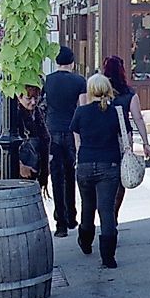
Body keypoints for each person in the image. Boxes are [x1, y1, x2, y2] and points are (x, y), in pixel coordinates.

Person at [70, 74, 122, 268]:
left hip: (85, 163)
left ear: (90, 91)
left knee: (87, 205)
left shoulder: (81, 112)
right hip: (109, 164)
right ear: (108, 90)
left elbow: (77, 142)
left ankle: (85, 241)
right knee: (106, 210)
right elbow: (122, 138)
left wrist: (80, 159)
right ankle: (108, 257)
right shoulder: (116, 112)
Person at [102, 55, 150, 225]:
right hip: (123, 139)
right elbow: (138, 118)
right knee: (122, 177)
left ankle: (105, 213)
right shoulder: (129, 93)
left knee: (104, 177)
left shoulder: (100, 91)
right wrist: (146, 143)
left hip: (102, 137)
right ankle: (114, 214)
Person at [44, 46, 87, 238]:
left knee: (56, 176)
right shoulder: (79, 81)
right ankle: (71, 216)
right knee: (71, 174)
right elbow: (83, 107)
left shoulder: (48, 80)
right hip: (72, 131)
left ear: (57, 62)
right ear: (72, 62)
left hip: (52, 130)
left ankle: (60, 223)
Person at [17, 85, 51, 197]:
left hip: (35, 172)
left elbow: (45, 139)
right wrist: (20, 166)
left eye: (36, 98)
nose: (33, 102)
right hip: (22, 175)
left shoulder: (37, 113)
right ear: (19, 97)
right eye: (28, 98)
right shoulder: (15, 115)